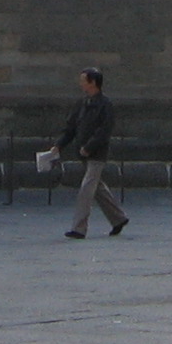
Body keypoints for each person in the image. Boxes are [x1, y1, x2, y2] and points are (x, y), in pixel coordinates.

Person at [49, 67, 126, 239]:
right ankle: (118, 219)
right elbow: (71, 128)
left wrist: (89, 146)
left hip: (96, 154)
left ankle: (79, 228)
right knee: (98, 188)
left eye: (83, 80)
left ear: (93, 83)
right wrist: (59, 146)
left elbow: (104, 131)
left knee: (86, 189)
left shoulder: (105, 105)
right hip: (82, 152)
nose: (80, 83)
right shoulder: (82, 104)